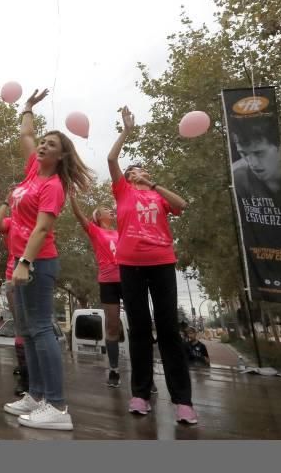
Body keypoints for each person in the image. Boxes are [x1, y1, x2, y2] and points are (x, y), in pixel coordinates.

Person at [4, 88, 94, 431]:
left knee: (42, 329)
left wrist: (25, 263)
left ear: (61, 157)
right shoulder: (32, 171)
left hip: (37, 262)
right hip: (22, 259)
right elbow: (26, 132)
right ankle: (36, 395)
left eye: (51, 145)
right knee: (27, 330)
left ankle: (57, 407)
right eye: (43, 142)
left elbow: (43, 228)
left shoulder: (54, 185)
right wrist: (27, 107)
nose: (42, 146)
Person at [108, 106, 198, 425]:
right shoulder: (122, 192)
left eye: (139, 170)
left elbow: (182, 204)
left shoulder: (158, 196)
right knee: (140, 330)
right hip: (130, 265)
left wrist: (154, 183)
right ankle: (140, 394)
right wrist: (127, 131)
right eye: (132, 171)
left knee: (169, 329)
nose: (135, 173)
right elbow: (110, 160)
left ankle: (183, 401)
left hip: (162, 263)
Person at [69, 197, 123, 388]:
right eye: (106, 209)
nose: (111, 211)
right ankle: (114, 370)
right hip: (108, 281)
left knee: (138, 326)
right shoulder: (95, 231)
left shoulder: (120, 231)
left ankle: (145, 376)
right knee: (112, 326)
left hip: (128, 279)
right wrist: (72, 197)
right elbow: (79, 216)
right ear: (99, 216)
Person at [0, 186, 29, 396]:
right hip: (12, 276)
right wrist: (3, 202)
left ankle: (32, 368)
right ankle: (25, 375)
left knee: (33, 326)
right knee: (21, 326)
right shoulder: (11, 222)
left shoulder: (36, 218)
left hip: (36, 274)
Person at [230, 118, 281, 201]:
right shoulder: (239, 178)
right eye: (244, 154)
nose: (252, 163)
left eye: (259, 153)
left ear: (280, 146)